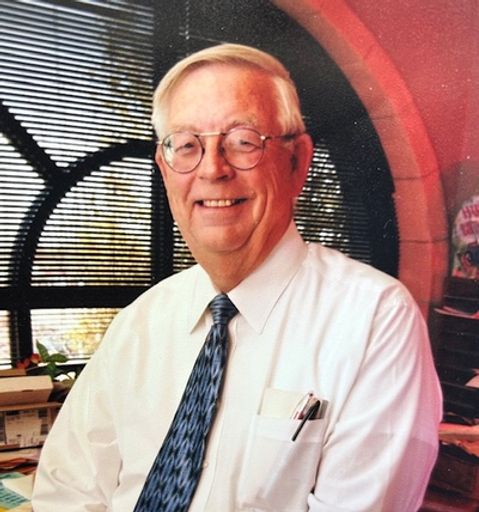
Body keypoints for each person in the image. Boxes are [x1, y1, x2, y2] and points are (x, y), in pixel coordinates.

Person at [32, 43, 442, 511]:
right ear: (165, 169)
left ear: (297, 161)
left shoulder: (375, 320)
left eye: (244, 141)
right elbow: (68, 492)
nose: (212, 168)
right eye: (187, 145)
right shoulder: (138, 324)